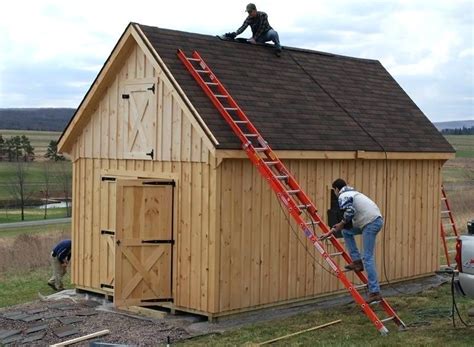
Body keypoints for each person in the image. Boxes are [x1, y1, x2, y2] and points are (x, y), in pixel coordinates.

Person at [320, 179, 384, 304]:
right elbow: (346, 224)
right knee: (347, 232)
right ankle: (356, 261)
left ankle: (375, 292)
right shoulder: (352, 193)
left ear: (336, 189)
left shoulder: (343, 195)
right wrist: (332, 231)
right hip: (372, 221)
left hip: (370, 223)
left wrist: (342, 223)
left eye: (334, 191)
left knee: (368, 257)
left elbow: (350, 212)